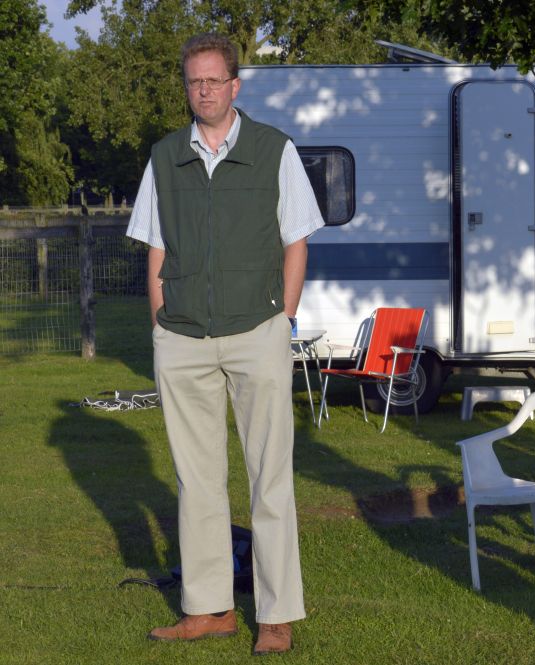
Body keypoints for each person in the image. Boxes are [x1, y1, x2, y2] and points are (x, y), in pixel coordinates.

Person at [126, 33, 324, 655]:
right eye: (194, 81)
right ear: (186, 86)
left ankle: (275, 615)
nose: (203, 90)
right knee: (197, 481)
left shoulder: (274, 150)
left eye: (214, 80)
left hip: (256, 333)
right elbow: (155, 244)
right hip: (182, 339)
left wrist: (282, 321)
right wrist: (161, 323)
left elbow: (297, 241)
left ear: (235, 86)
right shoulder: (163, 157)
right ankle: (209, 607)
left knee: (270, 479)